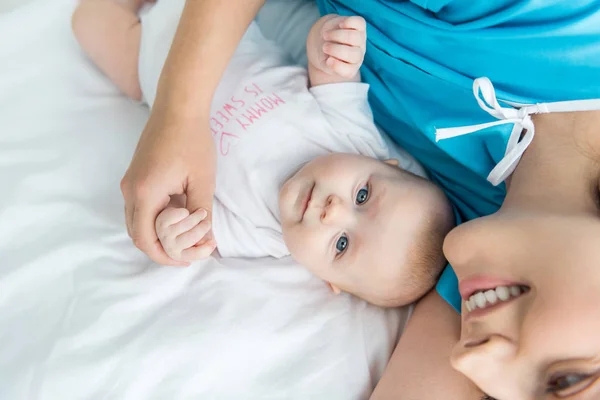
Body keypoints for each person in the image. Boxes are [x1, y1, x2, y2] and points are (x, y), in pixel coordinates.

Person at [71, 0, 454, 307]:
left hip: (145, 66)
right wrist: (333, 47)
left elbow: (195, 223)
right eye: (363, 196)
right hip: (217, 32)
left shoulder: (259, 236)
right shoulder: (352, 138)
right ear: (381, 160)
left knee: (89, 20)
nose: (332, 211)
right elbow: (331, 74)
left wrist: (174, 232)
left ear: (329, 281)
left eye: (341, 245)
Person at [310, 1, 600, 399]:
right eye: (567, 381)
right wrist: (190, 109)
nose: (467, 362)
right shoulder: (556, 20)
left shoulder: (507, 231)